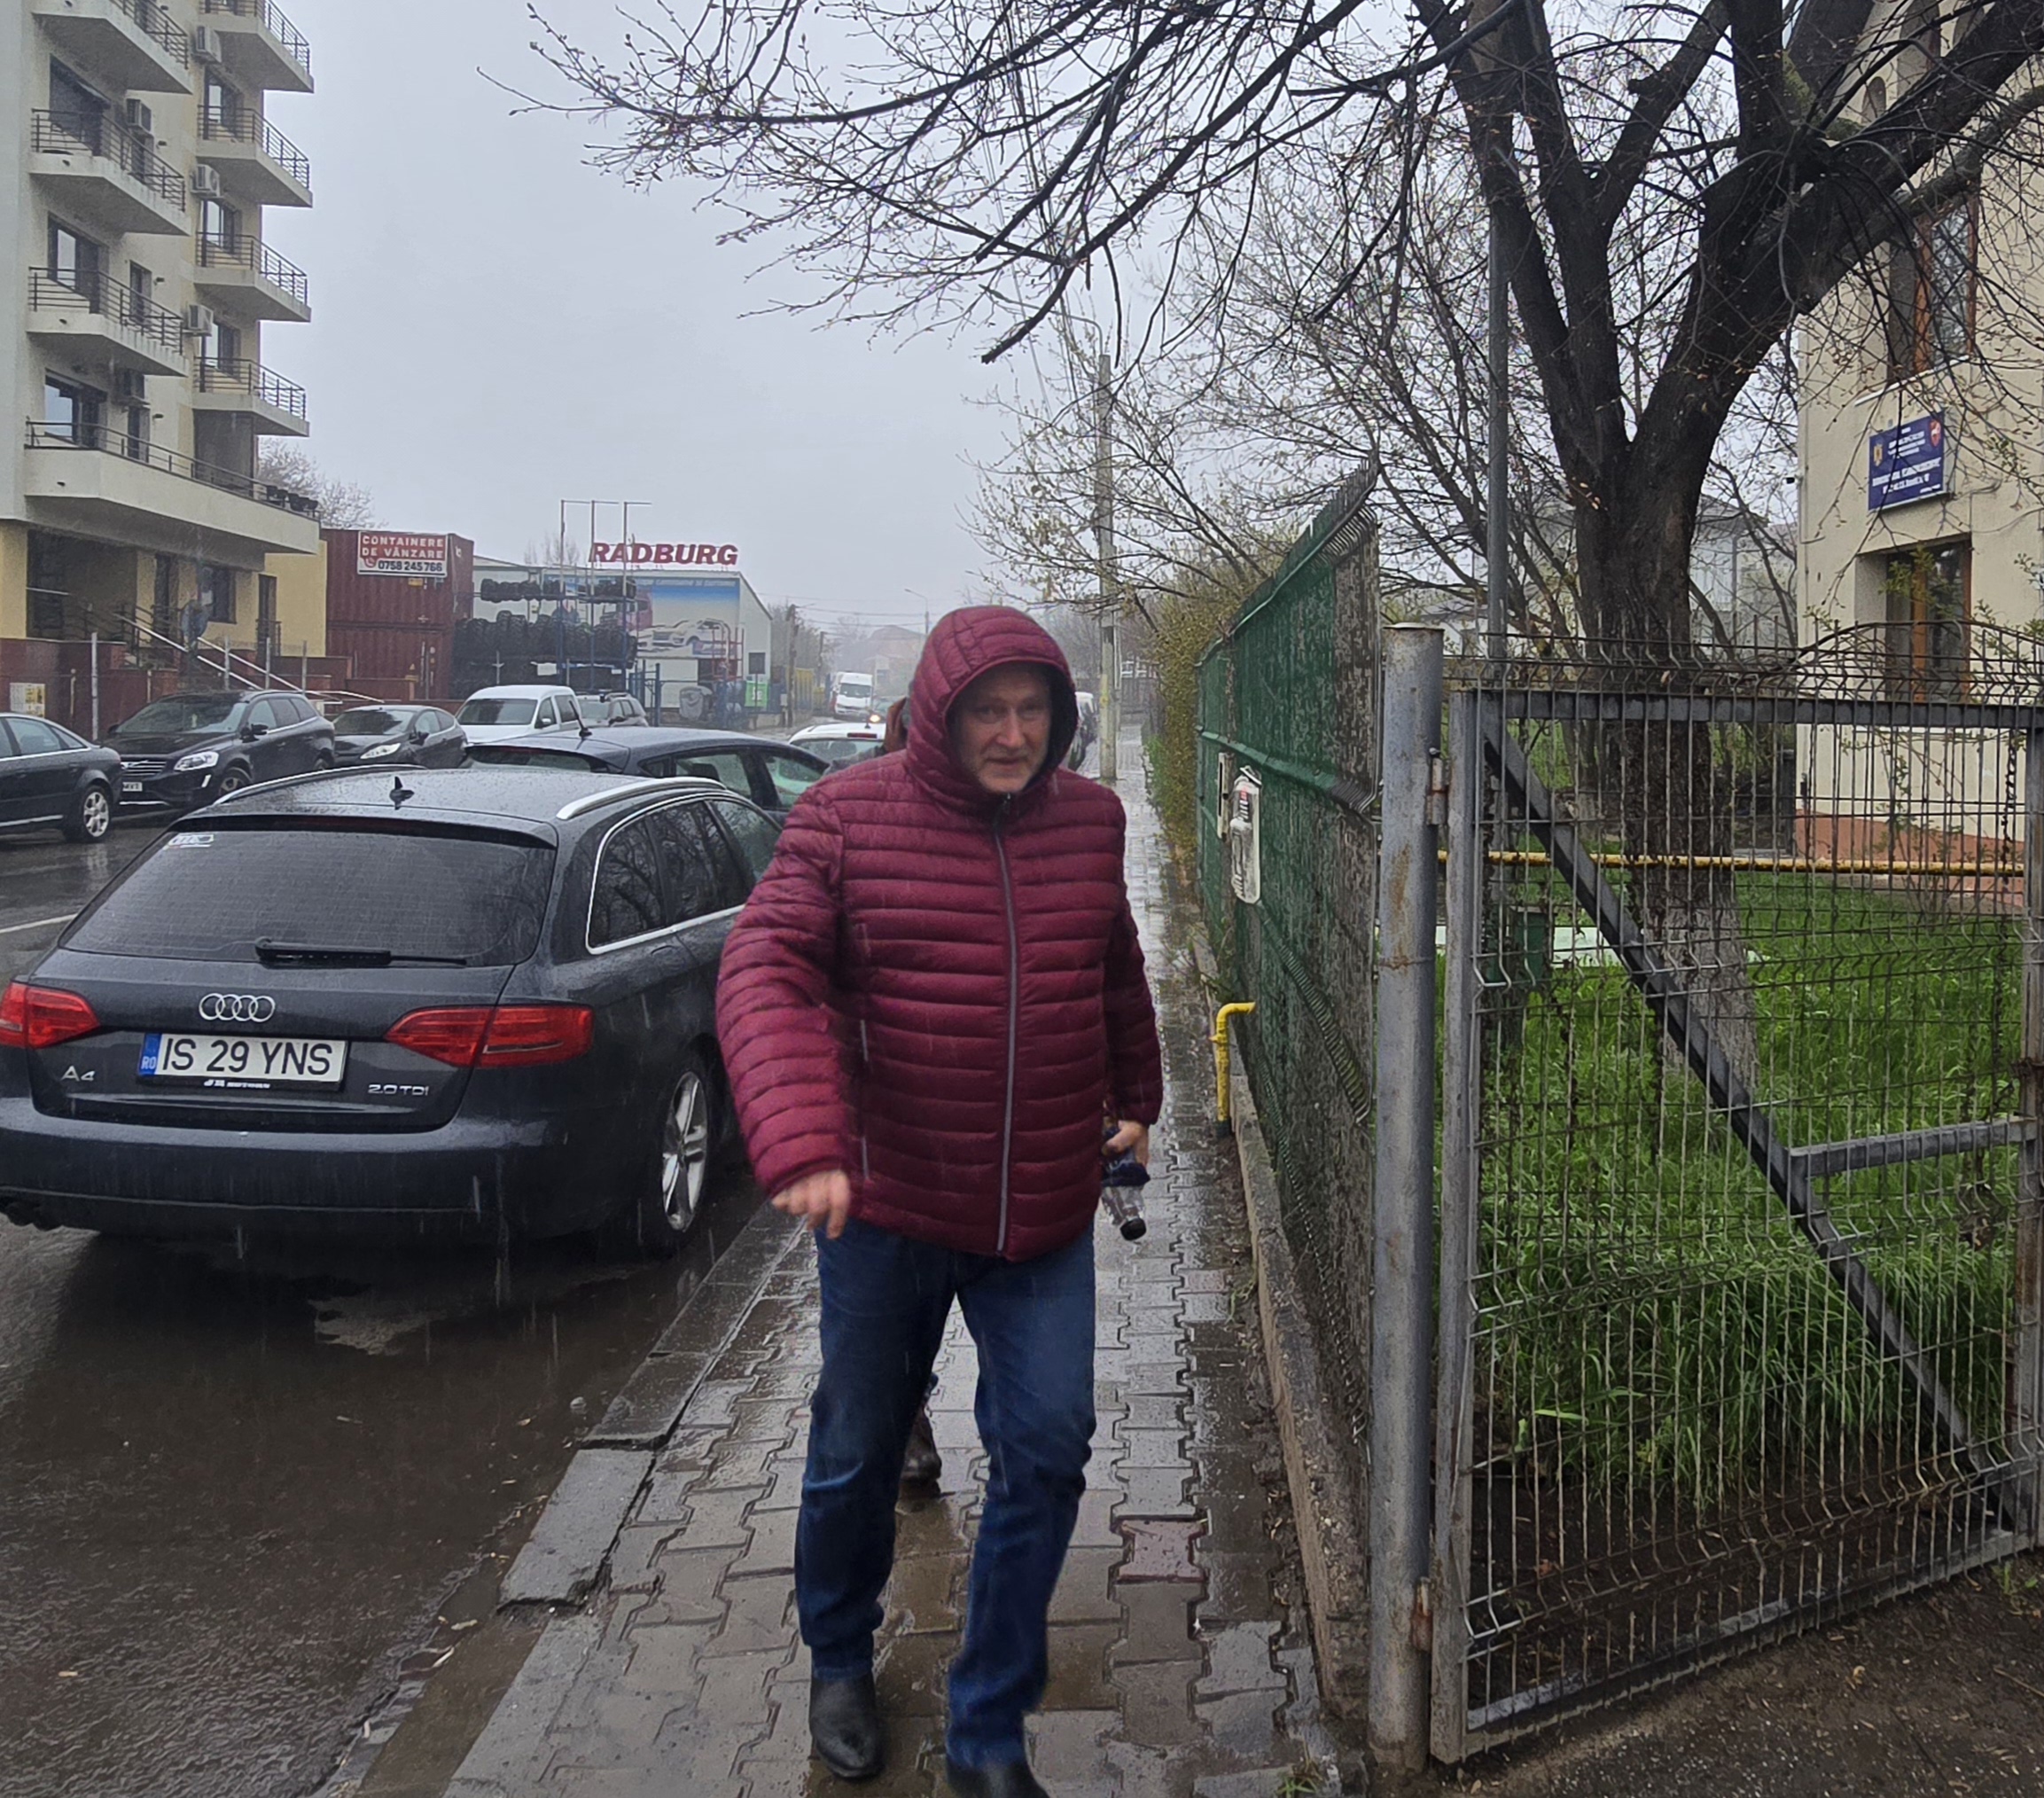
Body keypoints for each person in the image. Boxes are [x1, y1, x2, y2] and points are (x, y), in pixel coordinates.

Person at [716, 607, 1162, 1798]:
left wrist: (1137, 1093)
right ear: (938, 717)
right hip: (889, 1209)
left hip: (1041, 1213)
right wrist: (804, 1137)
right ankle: (838, 1658)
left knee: (1048, 1450)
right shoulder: (844, 818)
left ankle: (987, 1727)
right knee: (856, 1450)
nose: (1013, 735)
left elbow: (1112, 960)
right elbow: (765, 966)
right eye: (988, 714)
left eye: (1033, 710)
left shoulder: (1092, 821)